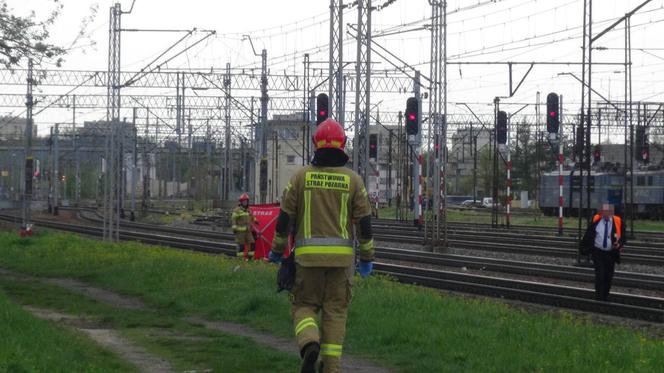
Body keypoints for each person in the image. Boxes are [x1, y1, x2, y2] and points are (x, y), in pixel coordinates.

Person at [268, 118, 374, 373]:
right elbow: (365, 224)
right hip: (341, 265)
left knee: (303, 306)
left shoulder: (300, 177)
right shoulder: (354, 181)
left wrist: (277, 249)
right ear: (344, 145)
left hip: (307, 262)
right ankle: (331, 368)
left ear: (315, 144)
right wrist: (367, 258)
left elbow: (284, 219)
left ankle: (309, 344)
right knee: (335, 313)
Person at [581, 203, 625, 301]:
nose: (605, 214)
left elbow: (623, 237)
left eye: (608, 211)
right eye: (603, 211)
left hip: (611, 254)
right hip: (598, 253)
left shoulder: (618, 221)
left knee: (608, 276)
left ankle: (605, 296)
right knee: (600, 275)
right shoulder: (596, 220)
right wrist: (586, 248)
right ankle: (599, 297)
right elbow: (589, 234)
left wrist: (619, 244)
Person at [231, 193, 257, 259]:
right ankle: (240, 259)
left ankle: (249, 259)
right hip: (240, 232)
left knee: (252, 244)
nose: (245, 202)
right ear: (241, 202)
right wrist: (234, 228)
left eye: (246, 201)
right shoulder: (237, 210)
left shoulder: (248, 210)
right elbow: (233, 219)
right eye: (243, 201)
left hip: (248, 231)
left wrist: (255, 220)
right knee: (241, 247)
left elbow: (252, 217)